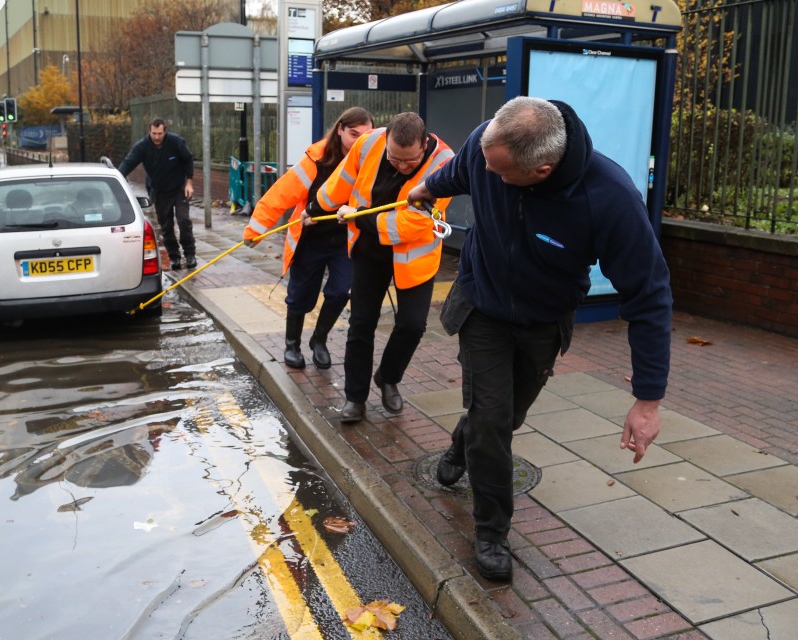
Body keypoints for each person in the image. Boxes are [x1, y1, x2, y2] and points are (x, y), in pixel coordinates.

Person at [407, 96, 672, 582]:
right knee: (492, 419)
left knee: (504, 421)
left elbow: (650, 296)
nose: (489, 175)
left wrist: (648, 400)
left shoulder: (608, 197)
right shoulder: (490, 146)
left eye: (500, 173)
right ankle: (491, 532)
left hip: (542, 323)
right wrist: (424, 187)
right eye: (486, 162)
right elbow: (461, 171)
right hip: (482, 307)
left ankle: (461, 444)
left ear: (542, 169)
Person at [309, 112, 453, 423]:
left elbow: (412, 225)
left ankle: (388, 376)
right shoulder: (369, 142)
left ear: (424, 145)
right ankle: (355, 398)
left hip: (413, 255)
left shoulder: (444, 163)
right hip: (369, 250)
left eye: (409, 162)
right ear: (386, 142)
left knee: (413, 326)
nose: (401, 166)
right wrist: (316, 207)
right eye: (394, 158)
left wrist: (357, 214)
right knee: (361, 324)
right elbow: (342, 180)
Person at [243, 107, 374, 370]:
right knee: (301, 294)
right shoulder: (316, 160)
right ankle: (292, 344)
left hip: (345, 241)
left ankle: (319, 340)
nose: (358, 141)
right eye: (353, 134)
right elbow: (280, 194)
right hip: (310, 240)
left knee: (340, 292)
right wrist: (255, 230)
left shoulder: (368, 162)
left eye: (365, 136)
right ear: (339, 130)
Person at [119, 118, 196, 269]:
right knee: (166, 226)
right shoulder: (142, 146)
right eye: (154, 133)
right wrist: (117, 178)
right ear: (149, 131)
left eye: (159, 133)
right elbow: (128, 163)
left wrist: (189, 182)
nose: (156, 137)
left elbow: (188, 160)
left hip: (179, 188)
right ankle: (174, 257)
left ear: (165, 131)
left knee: (183, 221)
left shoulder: (176, 142)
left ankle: (190, 254)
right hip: (159, 191)